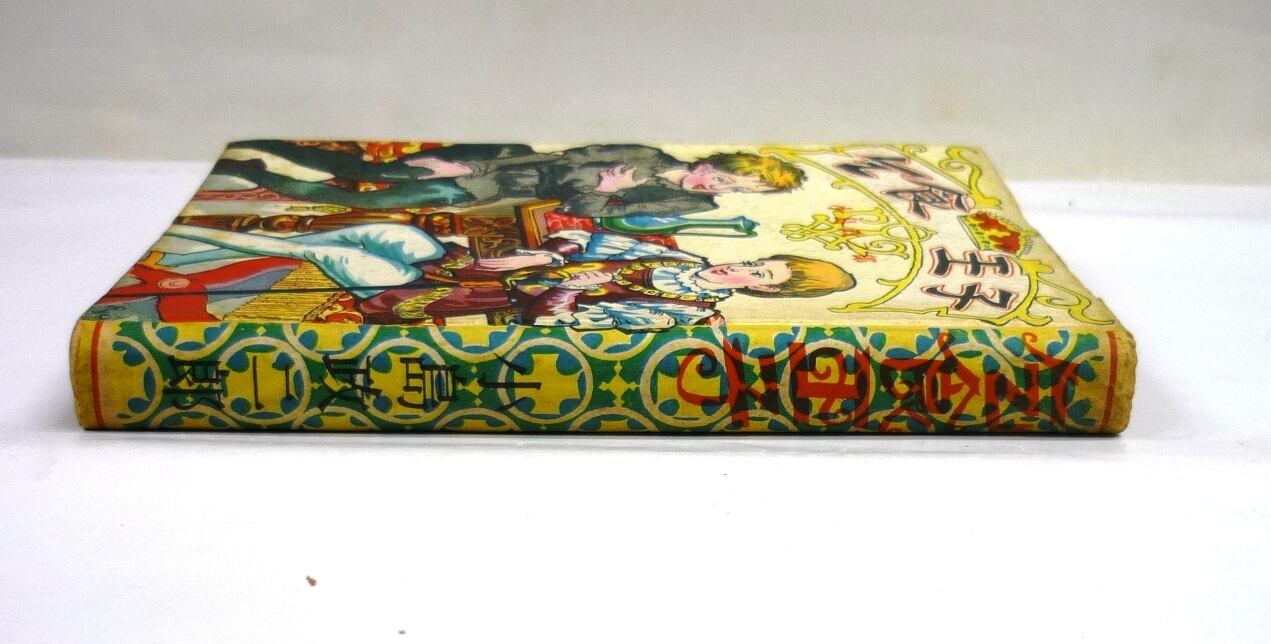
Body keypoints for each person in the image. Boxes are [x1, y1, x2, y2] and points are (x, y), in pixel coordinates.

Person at [155, 223, 854, 331]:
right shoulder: (678, 259)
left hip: (471, 297)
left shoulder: (687, 314)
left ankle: (200, 248)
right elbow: (585, 237)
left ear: (765, 291)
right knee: (389, 234)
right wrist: (547, 253)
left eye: (761, 274)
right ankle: (204, 249)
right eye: (757, 258)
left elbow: (568, 322)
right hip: (471, 261)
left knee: (353, 260)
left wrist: (564, 285)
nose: (742, 267)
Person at [210, 141, 806, 217]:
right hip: (489, 166)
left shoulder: (691, 206)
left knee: (364, 201)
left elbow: (588, 212)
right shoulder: (645, 152)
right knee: (359, 169)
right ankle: (254, 155)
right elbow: (567, 153)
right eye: (730, 178)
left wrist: (603, 192)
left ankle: (251, 172)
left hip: (497, 192)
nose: (722, 189)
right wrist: (467, 163)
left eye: (738, 192)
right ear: (719, 163)